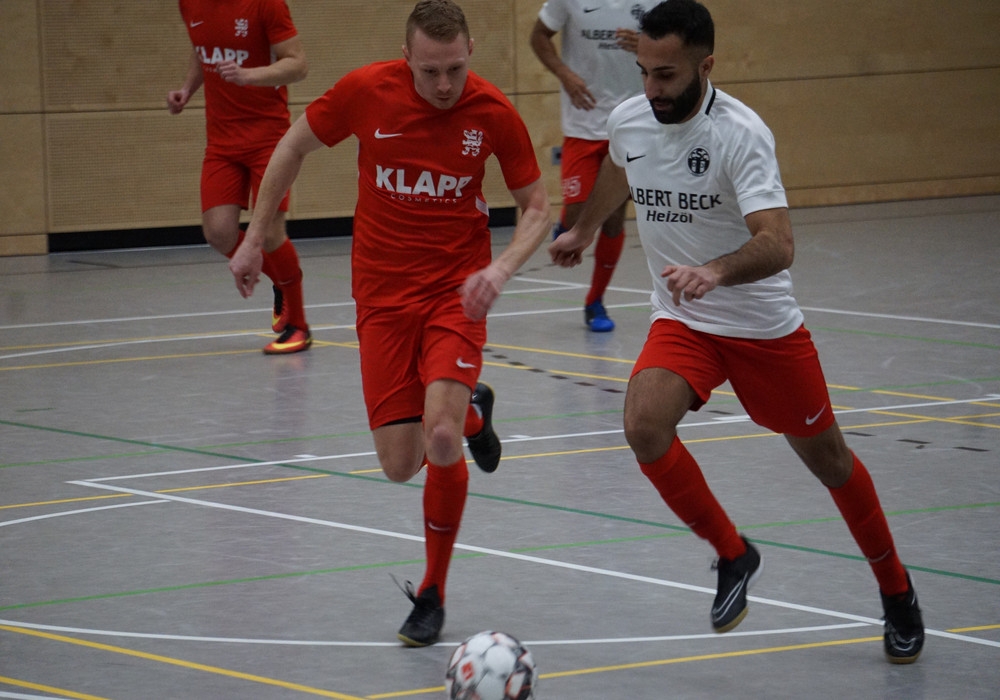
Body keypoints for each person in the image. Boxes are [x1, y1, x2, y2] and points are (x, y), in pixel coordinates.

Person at [550, 0, 925, 664]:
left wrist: (717, 271)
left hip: (761, 328)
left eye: (667, 75)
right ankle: (733, 553)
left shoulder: (741, 134)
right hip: (684, 319)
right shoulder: (631, 117)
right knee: (643, 425)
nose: (652, 89)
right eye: (645, 72)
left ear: (706, 66)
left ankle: (896, 590)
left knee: (831, 462)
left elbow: (778, 243)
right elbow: (619, 166)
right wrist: (583, 228)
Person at [229, 0, 551, 646]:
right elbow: (292, 146)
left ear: (469, 54)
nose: (444, 84)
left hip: (456, 295)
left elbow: (538, 206)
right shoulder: (366, 92)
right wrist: (255, 236)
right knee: (400, 464)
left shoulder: (491, 112)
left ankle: (432, 592)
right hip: (381, 299)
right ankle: (474, 413)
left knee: (439, 438)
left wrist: (501, 269)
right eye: (430, 71)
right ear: (407, 58)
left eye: (455, 69)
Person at [167, 0, 312, 354]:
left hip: (267, 137)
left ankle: (299, 325)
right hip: (221, 140)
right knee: (218, 232)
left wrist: (249, 75)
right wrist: (187, 88)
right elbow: (204, 50)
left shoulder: (266, 5)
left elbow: (298, 65)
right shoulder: (189, 4)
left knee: (272, 234)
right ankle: (281, 280)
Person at [530, 0, 652, 332]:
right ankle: (564, 225)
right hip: (583, 121)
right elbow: (539, 35)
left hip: (630, 123)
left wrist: (647, 45)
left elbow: (681, 44)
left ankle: (595, 301)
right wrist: (565, 74)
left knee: (612, 219)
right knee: (576, 216)